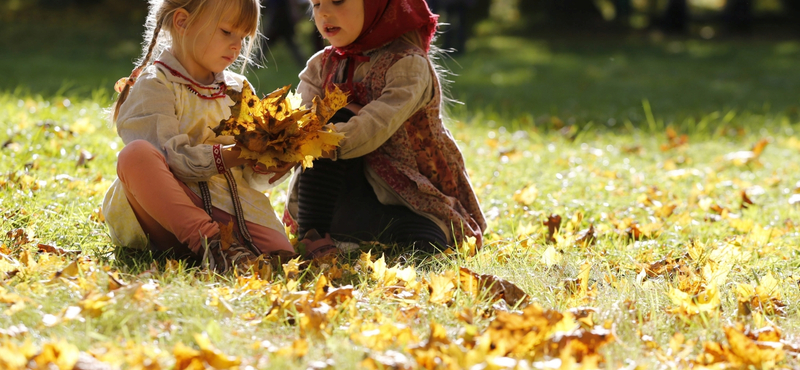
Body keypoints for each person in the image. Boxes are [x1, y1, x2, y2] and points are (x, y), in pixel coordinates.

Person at [102, 0, 303, 273]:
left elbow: (252, 177)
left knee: (281, 254)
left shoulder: (238, 87)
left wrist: (269, 160)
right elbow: (172, 160)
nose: (236, 46)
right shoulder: (155, 84)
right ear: (182, 22)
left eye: (243, 37)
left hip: (230, 204)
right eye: (226, 32)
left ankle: (230, 249)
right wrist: (240, 151)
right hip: (167, 213)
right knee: (135, 156)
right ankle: (213, 243)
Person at [283, 0, 487, 254]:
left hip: (401, 194)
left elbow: (376, 123)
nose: (323, 12)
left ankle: (358, 235)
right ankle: (313, 235)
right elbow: (299, 119)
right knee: (327, 125)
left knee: (428, 242)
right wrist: (284, 144)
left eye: (337, 1)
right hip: (337, 190)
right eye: (316, 4)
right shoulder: (321, 65)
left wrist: (327, 137)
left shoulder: (408, 65)